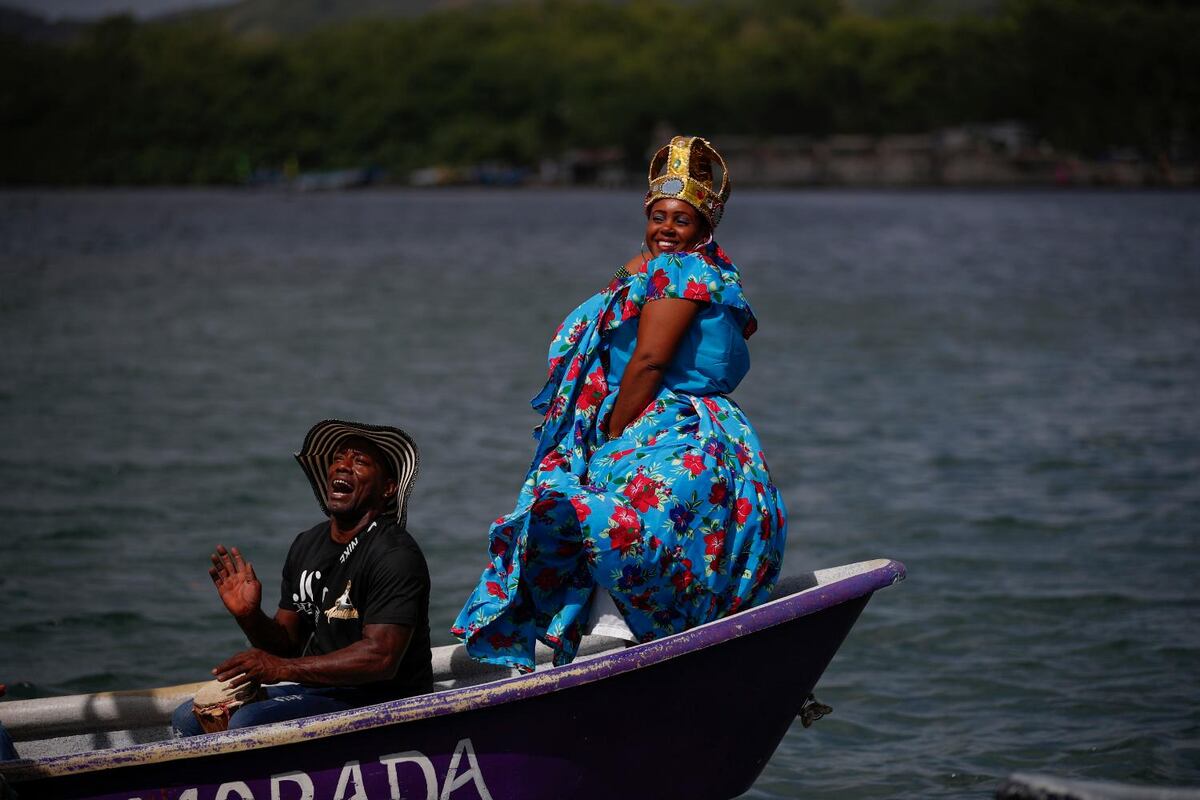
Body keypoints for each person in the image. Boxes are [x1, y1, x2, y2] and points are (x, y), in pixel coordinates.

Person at [452, 135, 787, 672]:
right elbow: (627, 287)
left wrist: (613, 434)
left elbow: (649, 361)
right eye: (658, 217)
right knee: (650, 529)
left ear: (705, 227)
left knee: (610, 517)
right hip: (692, 426)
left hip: (662, 423)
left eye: (682, 220)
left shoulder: (681, 274)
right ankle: (624, 629)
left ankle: (615, 634)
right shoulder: (697, 268)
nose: (667, 229)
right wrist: (644, 258)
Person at [171, 420, 431, 736]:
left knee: (246, 722)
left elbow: (381, 658)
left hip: (383, 699)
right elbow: (287, 646)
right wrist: (250, 616)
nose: (343, 466)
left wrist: (280, 669)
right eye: (338, 458)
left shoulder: (395, 554)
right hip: (321, 689)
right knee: (187, 717)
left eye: (360, 461)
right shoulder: (307, 544)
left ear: (388, 488)